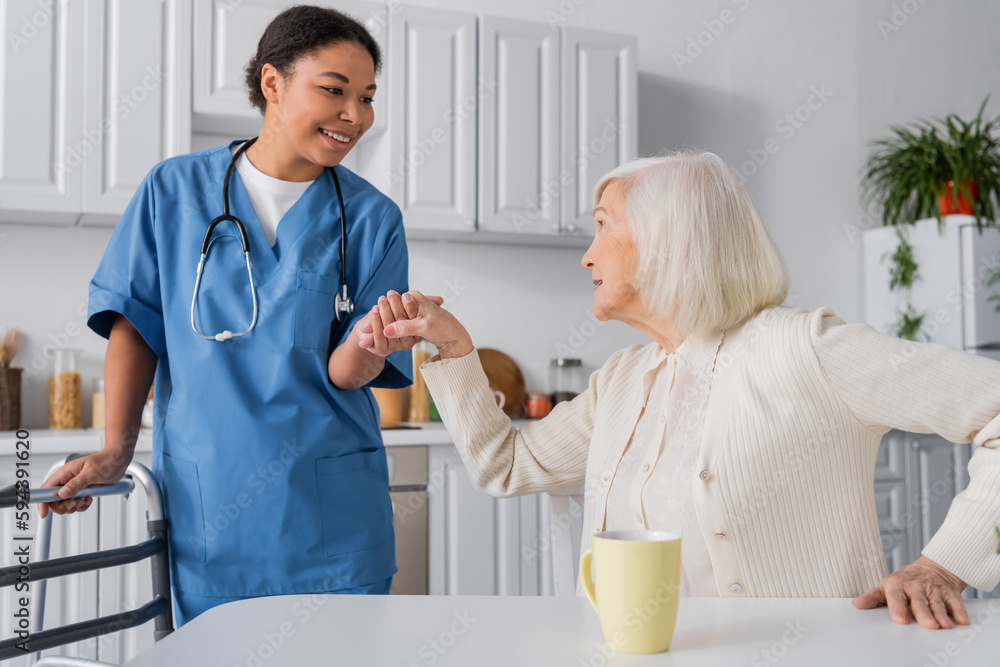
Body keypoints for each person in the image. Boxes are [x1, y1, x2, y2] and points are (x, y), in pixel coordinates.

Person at [363, 151, 1000, 630]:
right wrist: (452, 348)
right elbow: (507, 466)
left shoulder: (807, 349)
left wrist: (947, 562)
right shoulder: (624, 378)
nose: (586, 256)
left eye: (603, 225)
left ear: (672, 237)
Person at [38, 5, 434, 625]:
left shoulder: (372, 219)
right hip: (212, 516)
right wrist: (116, 449)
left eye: (366, 97)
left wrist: (374, 339)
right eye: (334, 90)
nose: (355, 116)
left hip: (331, 517)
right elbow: (136, 324)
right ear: (272, 84)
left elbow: (346, 373)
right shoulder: (171, 191)